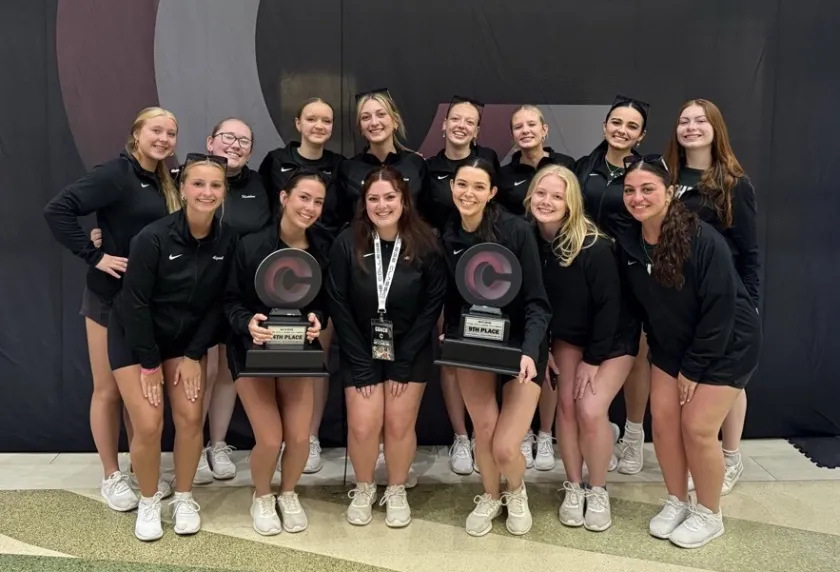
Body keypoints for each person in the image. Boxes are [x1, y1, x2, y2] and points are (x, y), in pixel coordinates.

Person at [617, 154, 761, 548]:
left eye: (648, 189)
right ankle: (677, 501)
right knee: (663, 425)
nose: (638, 197)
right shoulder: (628, 241)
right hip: (671, 344)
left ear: (669, 193)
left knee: (696, 428)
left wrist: (694, 369)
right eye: (630, 190)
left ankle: (709, 513)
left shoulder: (701, 238)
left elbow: (720, 309)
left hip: (726, 343)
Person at [43, 106, 179, 511]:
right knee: (108, 391)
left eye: (171, 133)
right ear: (137, 133)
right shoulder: (115, 174)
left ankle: (140, 470)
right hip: (108, 296)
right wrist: (93, 253)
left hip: (148, 303)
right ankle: (110, 475)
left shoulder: (165, 182)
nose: (164, 139)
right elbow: (58, 209)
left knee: (137, 392)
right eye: (156, 130)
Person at [108, 153, 238, 541]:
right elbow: (135, 304)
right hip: (137, 338)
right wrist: (149, 365)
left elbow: (219, 303)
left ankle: (184, 497)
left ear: (224, 192)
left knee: (189, 418)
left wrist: (195, 354)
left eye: (215, 185)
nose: (206, 192)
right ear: (182, 189)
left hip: (186, 341)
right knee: (148, 424)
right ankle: (148, 500)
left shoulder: (228, 240)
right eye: (198, 184)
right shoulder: (152, 237)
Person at [327, 166, 445, 529]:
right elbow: (338, 302)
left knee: (397, 423)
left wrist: (404, 359)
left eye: (390, 197)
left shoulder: (426, 243)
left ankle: (395, 488)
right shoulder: (347, 242)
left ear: (404, 200)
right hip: (359, 347)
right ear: (364, 203)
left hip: (410, 349)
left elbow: (432, 305)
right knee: (363, 426)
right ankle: (364, 488)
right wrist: (360, 360)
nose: (382, 205)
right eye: (374, 198)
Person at [440, 158, 551, 537]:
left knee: (505, 446)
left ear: (491, 193)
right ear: (451, 187)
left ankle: (516, 491)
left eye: (477, 187)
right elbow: (454, 302)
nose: (468, 193)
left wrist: (531, 351)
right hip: (475, 344)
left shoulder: (517, 231)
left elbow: (537, 301)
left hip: (520, 346)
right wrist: (452, 336)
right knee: (483, 431)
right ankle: (490, 494)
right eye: (461, 185)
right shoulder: (450, 235)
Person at [527, 165, 638, 532]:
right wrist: (540, 350)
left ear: (572, 203)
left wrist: (593, 359)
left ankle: (598, 488)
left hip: (612, 340)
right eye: (541, 193)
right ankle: (573, 486)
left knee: (591, 410)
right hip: (567, 338)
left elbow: (611, 308)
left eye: (557, 196)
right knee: (567, 408)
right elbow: (532, 304)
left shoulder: (594, 246)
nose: (547, 201)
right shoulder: (528, 240)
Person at [224, 169, 329, 535]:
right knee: (269, 437)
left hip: (298, 351)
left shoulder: (322, 248)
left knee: (299, 437)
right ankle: (263, 495)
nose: (310, 207)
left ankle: (288, 492)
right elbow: (231, 301)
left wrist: (318, 318)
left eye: (318, 201)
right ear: (284, 197)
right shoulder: (250, 245)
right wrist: (246, 323)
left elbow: (324, 302)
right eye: (304, 197)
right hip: (252, 350)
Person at [665, 99, 760, 495]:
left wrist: (749, 303)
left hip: (726, 299)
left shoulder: (734, 184)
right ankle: (702, 456)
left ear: (715, 128)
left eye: (700, 120)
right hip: (683, 301)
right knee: (695, 383)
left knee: (727, 381)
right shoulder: (666, 175)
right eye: (684, 121)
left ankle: (731, 455)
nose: (691, 127)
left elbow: (750, 251)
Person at [258, 98, 345, 475]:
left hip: (320, 262)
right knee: (274, 352)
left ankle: (307, 436)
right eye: (312, 118)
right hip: (275, 264)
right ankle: (278, 436)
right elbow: (260, 213)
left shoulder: (340, 166)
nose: (319, 125)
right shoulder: (274, 161)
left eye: (326, 120)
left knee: (315, 356)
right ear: (298, 123)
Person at [191, 117, 272, 485]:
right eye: (227, 137)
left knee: (226, 372)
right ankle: (190, 446)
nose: (235, 145)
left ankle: (218, 444)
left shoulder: (259, 183)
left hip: (241, 293)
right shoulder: (187, 178)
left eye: (243, 140)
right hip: (198, 292)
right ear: (210, 141)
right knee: (200, 372)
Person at [425, 96, 501, 475]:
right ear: (444, 123)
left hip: (487, 267)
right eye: (455, 118)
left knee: (486, 346)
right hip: (446, 264)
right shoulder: (430, 168)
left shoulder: (488, 159)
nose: (461, 125)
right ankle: (460, 436)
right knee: (451, 347)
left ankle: (488, 432)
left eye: (469, 121)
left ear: (477, 129)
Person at [575, 95, 650, 475]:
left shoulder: (647, 173)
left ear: (641, 135)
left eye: (631, 126)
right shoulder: (584, 167)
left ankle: (633, 434)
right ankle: (596, 426)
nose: (622, 130)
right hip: (588, 275)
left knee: (637, 355)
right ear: (605, 126)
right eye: (616, 123)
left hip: (632, 276)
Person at [330, 89, 429, 233]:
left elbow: (427, 217)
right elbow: (340, 220)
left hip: (411, 250)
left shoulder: (416, 164)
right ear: (361, 129)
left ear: (395, 121)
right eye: (365, 117)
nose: (374, 122)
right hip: (363, 250)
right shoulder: (348, 169)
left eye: (381, 114)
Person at [497, 105, 575, 217]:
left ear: (544, 130)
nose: (525, 130)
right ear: (512, 135)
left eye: (532, 124)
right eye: (518, 127)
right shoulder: (504, 175)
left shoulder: (566, 164)